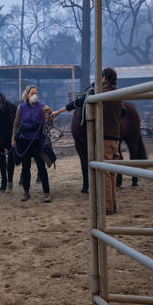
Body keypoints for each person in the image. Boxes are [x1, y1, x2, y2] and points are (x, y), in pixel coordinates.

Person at [51, 67, 122, 215]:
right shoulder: (118, 94)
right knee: (112, 173)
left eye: (100, 77)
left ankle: (107, 207)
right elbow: (123, 112)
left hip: (104, 137)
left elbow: (80, 101)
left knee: (104, 174)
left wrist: (59, 111)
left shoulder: (101, 93)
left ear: (104, 78)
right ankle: (113, 204)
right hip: (116, 138)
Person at [11, 85, 53, 203]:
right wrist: (13, 138)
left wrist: (49, 115)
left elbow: (48, 123)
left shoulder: (42, 106)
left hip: (37, 140)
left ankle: (46, 192)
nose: (35, 96)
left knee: (41, 167)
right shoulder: (21, 107)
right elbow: (16, 124)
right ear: (27, 95)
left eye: (36, 93)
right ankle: (26, 191)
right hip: (24, 140)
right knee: (25, 168)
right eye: (32, 94)